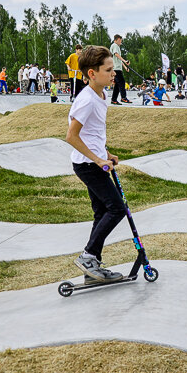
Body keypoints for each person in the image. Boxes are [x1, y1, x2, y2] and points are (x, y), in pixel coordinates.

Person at [65, 46, 127, 282]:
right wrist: (98, 159)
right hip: (87, 165)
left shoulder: (100, 95)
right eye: (108, 70)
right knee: (117, 208)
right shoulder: (87, 100)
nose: (113, 74)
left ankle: (92, 266)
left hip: (94, 161)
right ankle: (88, 255)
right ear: (92, 73)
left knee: (102, 211)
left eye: (113, 69)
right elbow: (71, 136)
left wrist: (106, 153)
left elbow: (93, 133)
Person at [108, 34, 131, 104]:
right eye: (119, 40)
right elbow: (116, 54)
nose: (120, 41)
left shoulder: (117, 46)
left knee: (118, 85)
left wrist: (125, 67)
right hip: (115, 68)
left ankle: (113, 99)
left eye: (121, 40)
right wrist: (125, 60)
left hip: (118, 68)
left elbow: (118, 59)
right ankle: (123, 98)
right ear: (115, 40)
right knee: (122, 82)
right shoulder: (115, 45)